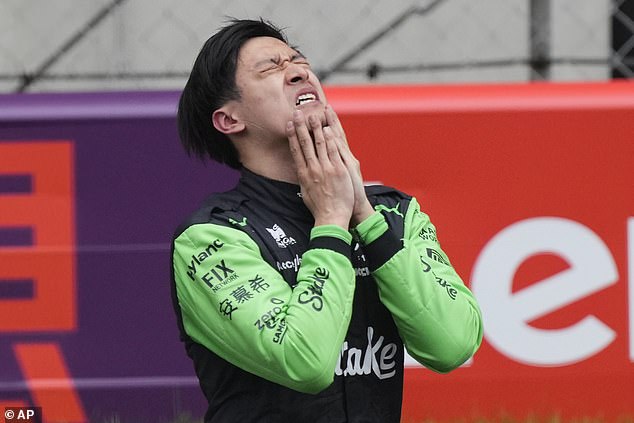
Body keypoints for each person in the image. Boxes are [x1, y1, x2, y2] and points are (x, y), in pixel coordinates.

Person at [170, 18, 483, 423]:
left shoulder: (394, 212)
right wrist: (332, 220)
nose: (299, 71)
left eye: (299, 61)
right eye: (270, 68)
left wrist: (364, 217)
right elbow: (305, 360)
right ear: (230, 120)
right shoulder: (212, 236)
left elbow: (453, 345)